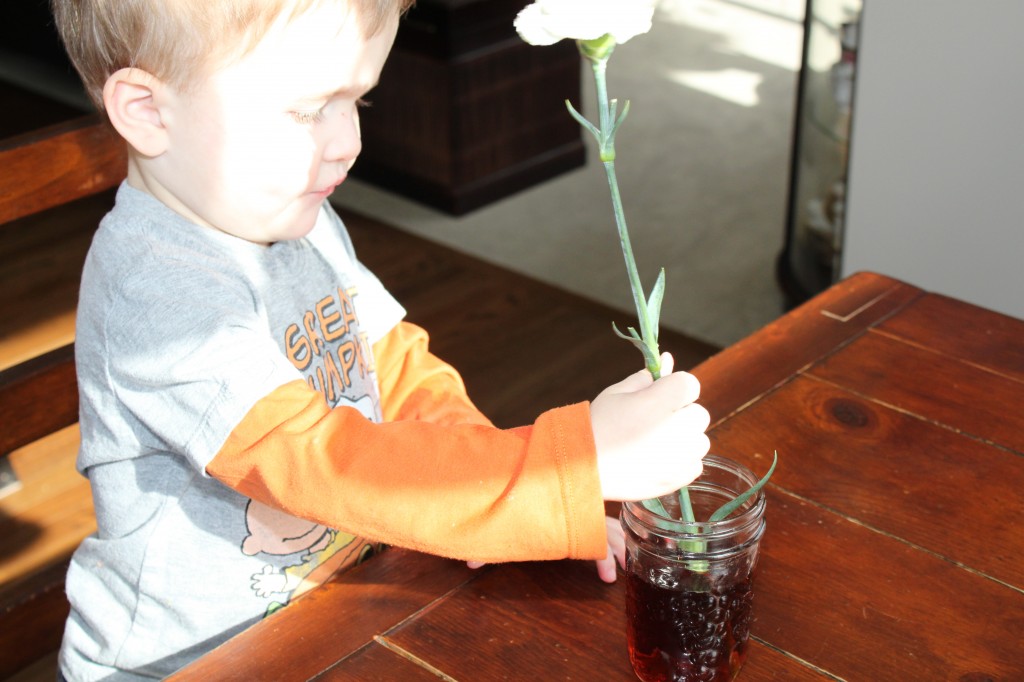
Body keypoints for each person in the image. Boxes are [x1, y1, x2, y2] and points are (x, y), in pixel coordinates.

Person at [50, 0, 712, 679]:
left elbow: (397, 371)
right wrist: (559, 471)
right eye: (309, 108)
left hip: (344, 617)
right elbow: (322, 462)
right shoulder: (158, 293)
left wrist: (504, 516)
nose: (348, 142)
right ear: (147, 111)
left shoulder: (291, 213)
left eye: (357, 101)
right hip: (194, 663)